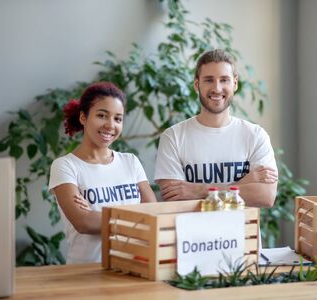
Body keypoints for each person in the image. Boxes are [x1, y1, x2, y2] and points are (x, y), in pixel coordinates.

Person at [154, 49, 278, 207]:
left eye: (224, 80)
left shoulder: (255, 135)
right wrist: (245, 183)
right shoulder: (173, 137)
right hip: (192, 232)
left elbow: (265, 197)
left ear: (235, 83)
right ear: (196, 84)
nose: (217, 88)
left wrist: (200, 191)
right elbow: (174, 198)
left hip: (243, 232)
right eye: (209, 80)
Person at [49, 82, 156, 264]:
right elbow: (84, 223)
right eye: (101, 115)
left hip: (135, 267)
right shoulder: (66, 166)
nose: (110, 125)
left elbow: (153, 213)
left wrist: (98, 215)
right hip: (86, 274)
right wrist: (136, 216)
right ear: (83, 117)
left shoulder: (131, 161)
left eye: (118, 119)